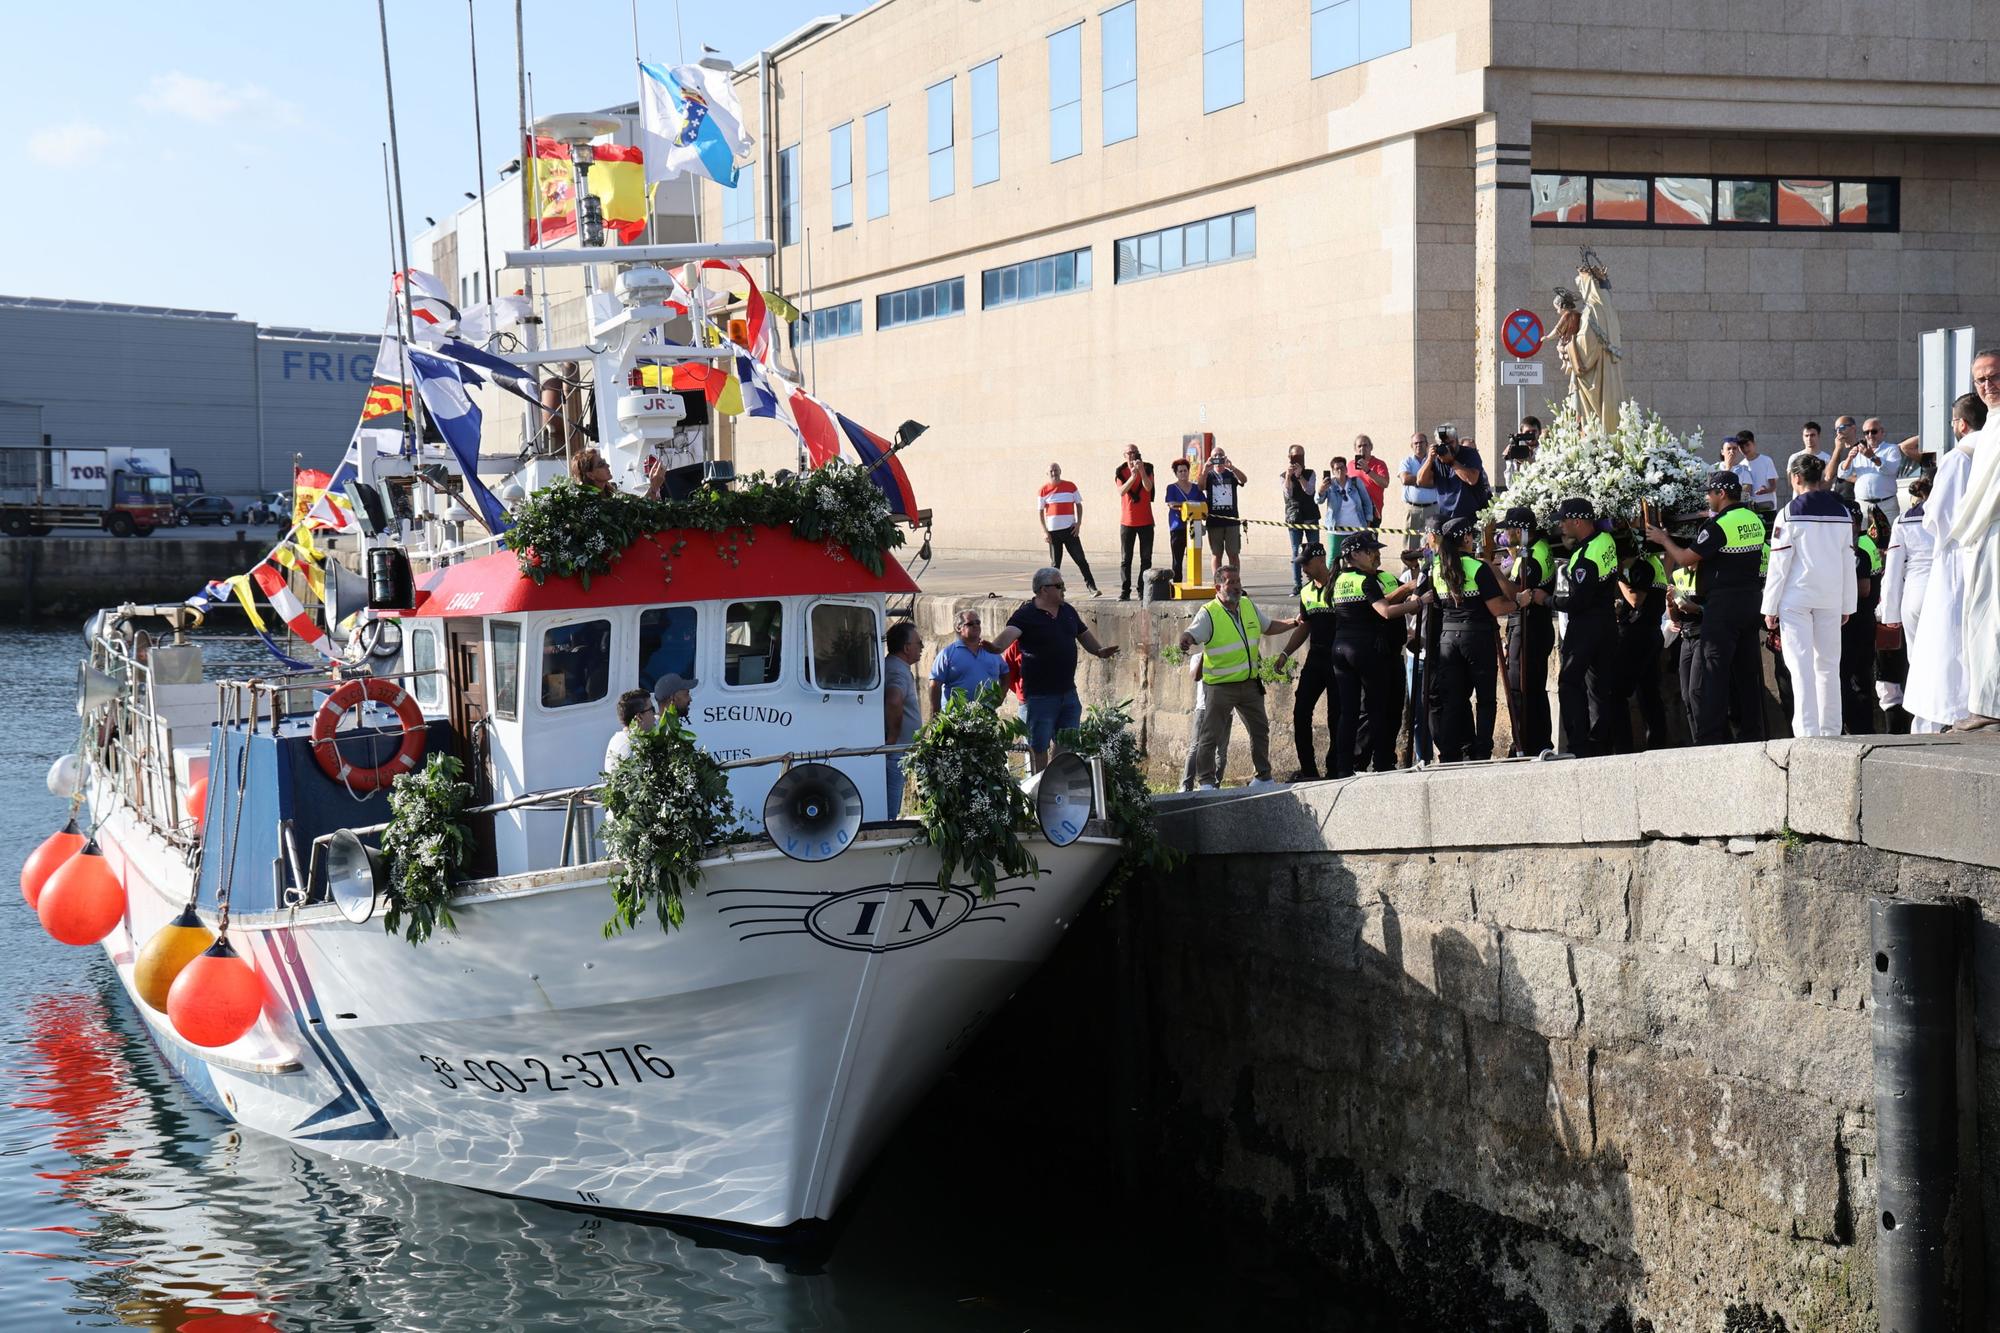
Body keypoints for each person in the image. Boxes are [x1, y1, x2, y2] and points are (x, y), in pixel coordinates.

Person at [1276, 537, 1416, 778]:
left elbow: (1376, 605)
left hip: (1344, 654)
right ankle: (1320, 768)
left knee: (1344, 714)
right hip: (1339, 654)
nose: (1303, 569)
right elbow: (1380, 609)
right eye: (1370, 551)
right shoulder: (1325, 587)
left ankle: (1339, 767)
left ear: (1320, 560)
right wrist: (1285, 652)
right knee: (1316, 712)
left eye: (1306, 564)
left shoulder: (1341, 581)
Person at [1647, 473, 1769, 745]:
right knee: (1748, 672)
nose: (1707, 497)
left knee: (1714, 671)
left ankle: (1709, 737)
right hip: (1750, 603)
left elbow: (1685, 558)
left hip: (1723, 606)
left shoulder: (1718, 526)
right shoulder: (1755, 521)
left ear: (1722, 494)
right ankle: (1752, 733)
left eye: (1710, 493)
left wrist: (1663, 539)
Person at [1906, 388, 1990, 732]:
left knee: (1947, 635)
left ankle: (1946, 711)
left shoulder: (1959, 458)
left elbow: (1937, 512)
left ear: (1961, 424)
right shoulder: (1991, 451)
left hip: (1954, 554)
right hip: (1983, 549)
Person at [1758, 456, 1855, 738]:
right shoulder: (1842, 513)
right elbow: (1847, 560)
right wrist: (1848, 604)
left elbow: (1779, 566)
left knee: (1800, 665)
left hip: (1796, 599)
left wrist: (1769, 607)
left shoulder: (1788, 513)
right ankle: (1831, 729)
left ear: (1795, 478)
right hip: (1830, 598)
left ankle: (1807, 731)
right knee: (1828, 665)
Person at [989, 566, 1120, 770]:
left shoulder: (1067, 611)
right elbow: (1008, 636)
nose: (1063, 589)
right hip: (1039, 697)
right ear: (1043, 590)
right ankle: (1037, 793)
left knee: (1067, 745)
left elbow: (1083, 635)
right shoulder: (1026, 615)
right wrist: (995, 647)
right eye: (1059, 586)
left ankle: (1056, 787)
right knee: (1037, 747)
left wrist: (1100, 651)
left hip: (1068, 693)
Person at [1177, 562, 1291, 789]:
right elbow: (1193, 632)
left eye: (1238, 582)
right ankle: (1206, 782)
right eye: (1231, 583)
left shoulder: (1247, 604)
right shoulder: (1208, 612)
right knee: (1210, 735)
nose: (1237, 587)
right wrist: (1186, 638)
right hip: (1220, 686)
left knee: (1260, 730)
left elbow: (1267, 627)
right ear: (1217, 587)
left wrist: (1292, 623)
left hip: (1249, 684)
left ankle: (1263, 776)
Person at [1419, 517, 1516, 763]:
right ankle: (1481, 751)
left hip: (1447, 639)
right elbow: (1496, 607)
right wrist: (1518, 602)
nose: (1473, 540)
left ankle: (1450, 754)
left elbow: (1439, 605)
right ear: (1465, 538)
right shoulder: (1477, 568)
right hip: (1477, 637)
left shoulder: (1438, 568)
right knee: (1485, 699)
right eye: (1471, 536)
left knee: (1453, 700)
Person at [1552, 498, 1622, 756]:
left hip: (1586, 626)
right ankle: (1600, 744)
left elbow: (1578, 600)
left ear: (1577, 521)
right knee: (1599, 687)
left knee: (1569, 682)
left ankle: (1579, 746)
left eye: (1564, 520)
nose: (1560, 526)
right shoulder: (1606, 540)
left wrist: (1547, 600)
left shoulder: (1584, 556)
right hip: (1606, 623)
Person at [1498, 506, 1556, 756]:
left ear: (1521, 530)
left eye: (1508, 528)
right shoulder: (1538, 548)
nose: (1505, 534)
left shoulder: (1530, 558)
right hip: (1535, 626)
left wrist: (1493, 574)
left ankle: (1525, 744)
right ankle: (1539, 742)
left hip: (1528, 627)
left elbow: (1518, 594)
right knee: (1533, 688)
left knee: (1520, 688)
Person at [1879, 476, 1936, 717]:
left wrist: (1889, 612)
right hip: (1944, 590)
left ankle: (1922, 720)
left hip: (1913, 593)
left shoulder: (1903, 521)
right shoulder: (1951, 514)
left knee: (1917, 662)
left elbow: (1892, 571)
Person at [1614, 535, 1671, 751]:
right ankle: (1656, 743)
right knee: (1648, 692)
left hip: (1639, 636)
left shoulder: (1643, 566)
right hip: (1649, 634)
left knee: (1618, 692)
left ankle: (1623, 747)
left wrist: (1618, 576)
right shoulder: (1653, 562)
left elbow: (1636, 599)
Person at [1037, 463, 1100, 597]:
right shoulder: (1043, 490)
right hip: (1053, 532)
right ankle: (1059, 592)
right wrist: (1045, 531)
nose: (1054, 472)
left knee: (1081, 560)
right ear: (1047, 474)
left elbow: (1079, 505)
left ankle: (1092, 588)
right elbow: (1040, 512)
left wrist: (1078, 524)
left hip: (1070, 530)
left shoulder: (1070, 486)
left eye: (1056, 470)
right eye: (1051, 471)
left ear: (1060, 471)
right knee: (1055, 566)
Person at [881, 623, 924, 814]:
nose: (922, 647)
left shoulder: (895, 666)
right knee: (891, 809)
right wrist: (894, 737)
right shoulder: (897, 670)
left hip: (899, 750)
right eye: (919, 643)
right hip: (895, 752)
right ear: (907, 648)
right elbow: (893, 699)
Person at [928, 609, 1007, 713]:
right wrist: (935, 713)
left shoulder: (990, 650)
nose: (976, 626)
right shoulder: (947, 654)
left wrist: (1000, 698)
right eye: (970, 624)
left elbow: (1005, 673)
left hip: (986, 715)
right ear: (958, 628)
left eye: (978, 622)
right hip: (955, 717)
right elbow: (935, 684)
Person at [1415, 425, 1490, 523]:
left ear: (1457, 440)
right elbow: (1420, 481)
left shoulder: (1470, 454)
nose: (1447, 447)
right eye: (1443, 444)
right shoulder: (1436, 458)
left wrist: (1451, 462)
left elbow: (1472, 479)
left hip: (1471, 516)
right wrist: (1429, 459)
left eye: (1450, 443)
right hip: (1446, 517)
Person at [1114, 444, 1156, 601]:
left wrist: (1141, 472)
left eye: (1134, 452)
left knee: (1146, 558)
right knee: (1126, 559)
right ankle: (1125, 591)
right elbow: (1121, 491)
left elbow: (1148, 487)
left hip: (1145, 521)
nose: (1131, 455)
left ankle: (1142, 589)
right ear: (1124, 455)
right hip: (1127, 522)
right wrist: (1132, 476)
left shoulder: (1148, 468)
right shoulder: (1120, 471)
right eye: (1128, 453)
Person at [1316, 455, 1375, 565]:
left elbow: (1367, 501)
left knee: (1356, 559)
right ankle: (1331, 582)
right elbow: (1318, 500)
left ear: (1346, 469)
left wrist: (1368, 520)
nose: (1340, 470)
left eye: (1342, 467)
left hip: (1356, 529)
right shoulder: (1329, 485)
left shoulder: (1355, 482)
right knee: (1334, 560)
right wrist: (1321, 490)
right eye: (1336, 468)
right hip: (1336, 530)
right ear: (1333, 471)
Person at [1279, 445, 1320, 594]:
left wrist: (1300, 475)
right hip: (1294, 517)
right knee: (1296, 551)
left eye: (1301, 456)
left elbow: (1309, 491)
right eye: (1295, 456)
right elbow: (1288, 493)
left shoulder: (1310, 473)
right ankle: (1297, 584)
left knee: (1314, 549)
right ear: (1289, 457)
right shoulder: (1283, 475)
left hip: (1310, 516)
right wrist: (1290, 476)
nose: (1298, 459)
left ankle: (1315, 582)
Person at [1202, 447, 1247, 567]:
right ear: (1211, 458)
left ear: (1225, 456)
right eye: (1215, 456)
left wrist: (1232, 467)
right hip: (1214, 521)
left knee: (1233, 554)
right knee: (1216, 554)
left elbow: (1244, 480)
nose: (1218, 457)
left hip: (1231, 521)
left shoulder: (1231, 474)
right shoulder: (1209, 475)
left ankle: (1235, 582)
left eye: (1220, 455)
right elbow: (1200, 487)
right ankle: (1218, 582)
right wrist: (1205, 470)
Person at [1163, 458, 1204, 584]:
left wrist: (1184, 506)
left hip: (1194, 526)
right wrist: (1189, 505)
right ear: (1176, 473)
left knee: (1194, 556)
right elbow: (1171, 504)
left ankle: (1194, 582)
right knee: (1177, 558)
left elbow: (1203, 503)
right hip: (1178, 528)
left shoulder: (1196, 488)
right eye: (1180, 471)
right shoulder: (1172, 488)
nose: (1183, 473)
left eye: (1185, 470)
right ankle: (1177, 583)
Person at [1399, 432, 1439, 553]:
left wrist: (1416, 480)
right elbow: (1405, 479)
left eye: (1421, 442)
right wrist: (1425, 480)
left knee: (1432, 543)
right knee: (1410, 546)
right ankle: (1408, 571)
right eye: (1415, 443)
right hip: (1413, 510)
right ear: (1411, 446)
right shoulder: (1406, 462)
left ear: (1426, 445)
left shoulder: (1435, 461)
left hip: (1432, 509)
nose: (1418, 445)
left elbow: (1437, 482)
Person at [605, 689, 657, 769]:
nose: (655, 715)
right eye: (652, 710)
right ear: (639, 717)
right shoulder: (634, 751)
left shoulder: (616, 739)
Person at [1738, 431, 1780, 526]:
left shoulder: (1766, 460)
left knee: (1769, 538)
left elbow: (1773, 487)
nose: (1745, 449)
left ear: (1754, 443)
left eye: (1747, 445)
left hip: (1768, 507)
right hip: (1750, 511)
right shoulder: (1740, 466)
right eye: (1741, 447)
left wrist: (1766, 490)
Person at [1350, 435, 1389, 524]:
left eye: (1365, 445)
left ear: (1371, 447)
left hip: (1373, 511)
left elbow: (1385, 483)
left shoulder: (1379, 464)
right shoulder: (1350, 465)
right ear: (1355, 449)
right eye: (1359, 446)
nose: (1362, 448)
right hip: (1353, 512)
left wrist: (1367, 470)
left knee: (1369, 538)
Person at [1502, 416, 1542, 491]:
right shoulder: (1518, 452)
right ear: (1521, 433)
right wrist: (1509, 459)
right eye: (1527, 433)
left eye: (1534, 432)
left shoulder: (1545, 450)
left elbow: (1544, 471)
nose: (1531, 435)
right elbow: (1510, 484)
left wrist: (1527, 462)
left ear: (1539, 432)